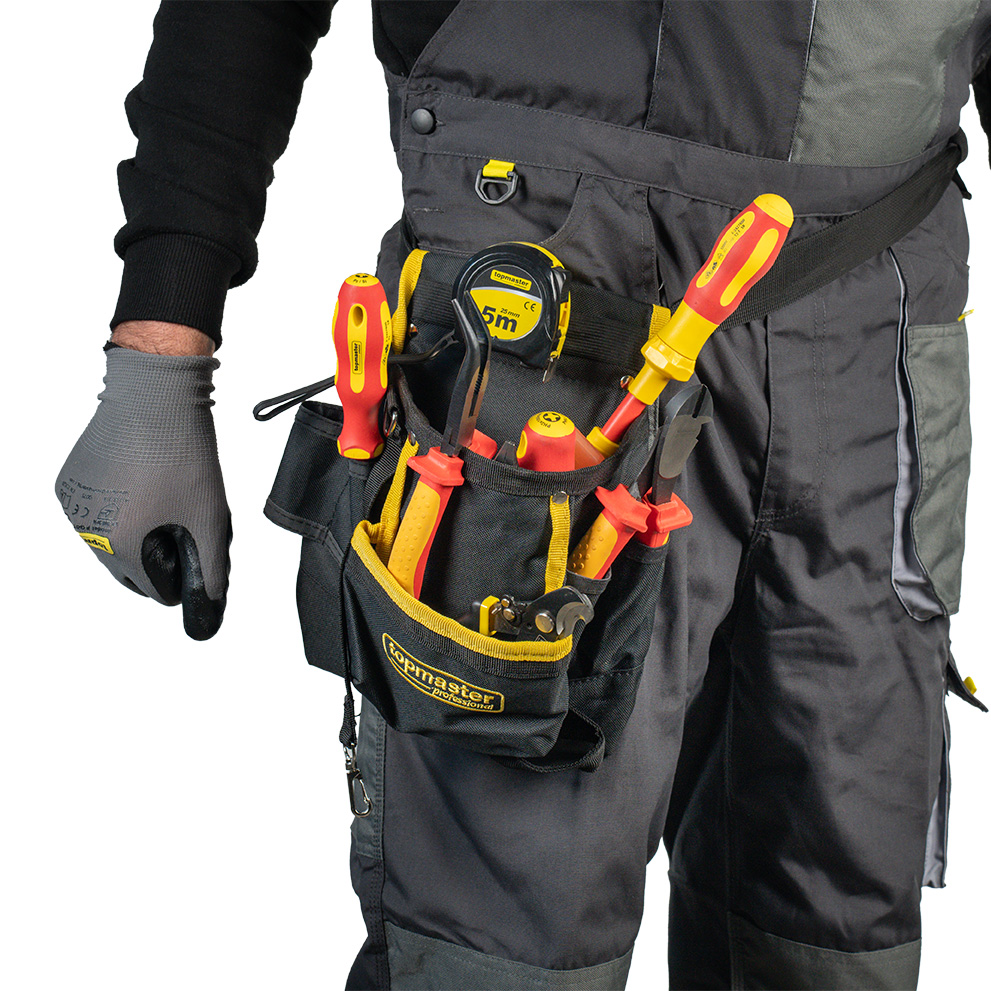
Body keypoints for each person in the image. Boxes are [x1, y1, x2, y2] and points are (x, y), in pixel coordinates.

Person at [55, 3, 991, 989]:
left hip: (876, 341)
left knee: (831, 924)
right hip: (539, 318)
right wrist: (161, 344)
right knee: (494, 946)